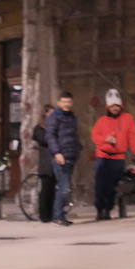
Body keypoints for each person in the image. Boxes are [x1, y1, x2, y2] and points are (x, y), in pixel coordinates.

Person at [90, 89, 135, 221]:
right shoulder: (101, 121)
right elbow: (95, 137)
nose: (115, 108)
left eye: (117, 106)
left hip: (118, 157)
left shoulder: (128, 119)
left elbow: (132, 136)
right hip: (103, 157)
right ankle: (100, 209)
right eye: (112, 106)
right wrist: (105, 139)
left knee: (113, 186)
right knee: (101, 185)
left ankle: (108, 209)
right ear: (108, 107)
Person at [47, 91, 83, 226]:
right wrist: (57, 153)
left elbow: (74, 136)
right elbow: (50, 136)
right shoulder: (54, 117)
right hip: (60, 156)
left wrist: (78, 149)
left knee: (63, 187)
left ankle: (60, 215)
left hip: (71, 155)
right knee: (64, 188)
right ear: (59, 103)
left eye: (69, 102)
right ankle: (57, 216)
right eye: (64, 102)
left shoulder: (72, 117)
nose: (66, 104)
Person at [31, 105, 55, 224]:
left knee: (54, 190)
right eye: (50, 113)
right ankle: (44, 215)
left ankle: (52, 214)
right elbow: (44, 140)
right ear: (45, 114)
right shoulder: (39, 128)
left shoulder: (56, 126)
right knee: (46, 189)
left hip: (56, 161)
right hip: (46, 162)